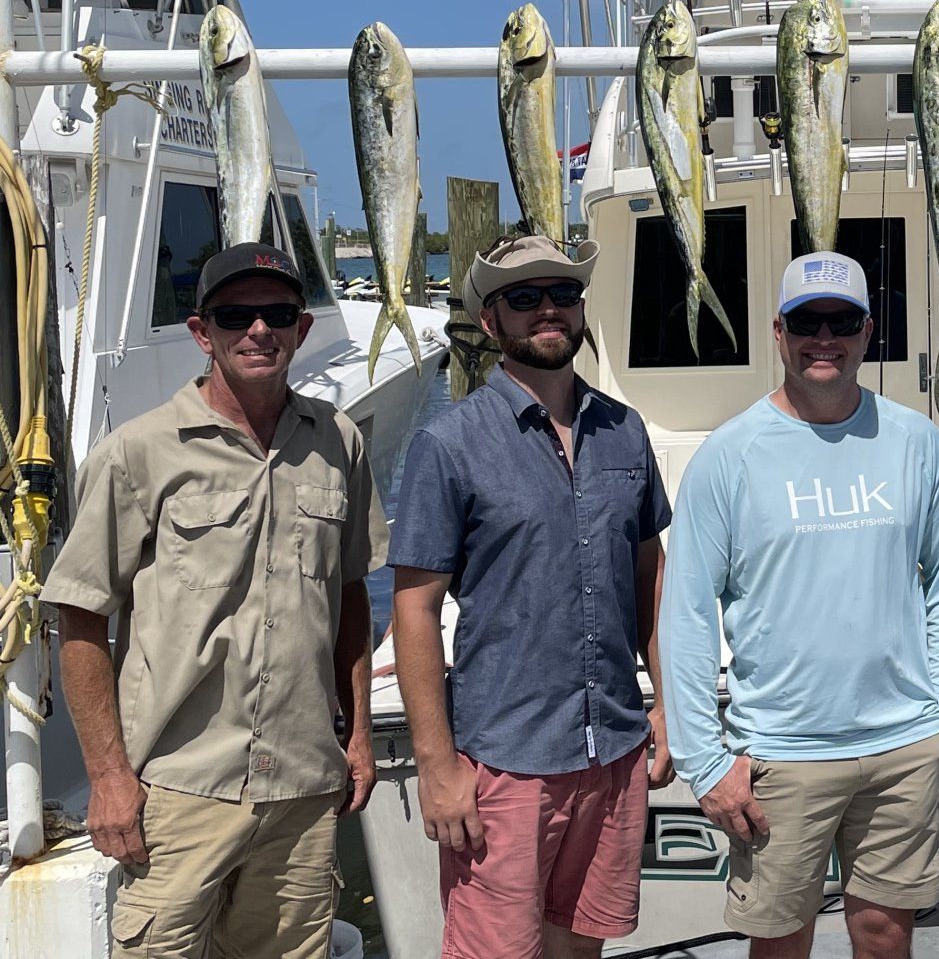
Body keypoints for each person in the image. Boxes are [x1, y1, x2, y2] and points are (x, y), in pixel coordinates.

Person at [45, 242, 385, 958]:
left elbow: (349, 593)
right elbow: (79, 617)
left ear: (302, 328)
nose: (258, 331)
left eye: (278, 314)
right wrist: (108, 778)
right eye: (236, 315)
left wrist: (356, 736)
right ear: (204, 333)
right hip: (176, 789)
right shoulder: (138, 452)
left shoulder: (340, 443)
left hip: (301, 787)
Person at [660, 252, 939, 959]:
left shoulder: (916, 441)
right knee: (778, 943)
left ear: (867, 332)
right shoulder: (728, 456)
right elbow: (685, 615)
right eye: (807, 321)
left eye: (841, 321)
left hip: (901, 747)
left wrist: (937, 703)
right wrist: (704, 762)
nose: (823, 337)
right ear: (778, 331)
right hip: (780, 753)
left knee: (886, 936)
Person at [388, 234, 672, 959]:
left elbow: (650, 578)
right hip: (504, 763)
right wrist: (438, 769)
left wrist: (669, 706)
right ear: (490, 323)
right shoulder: (448, 444)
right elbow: (415, 611)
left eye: (562, 294)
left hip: (610, 749)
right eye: (522, 297)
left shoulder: (625, 431)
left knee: (581, 945)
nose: (547, 309)